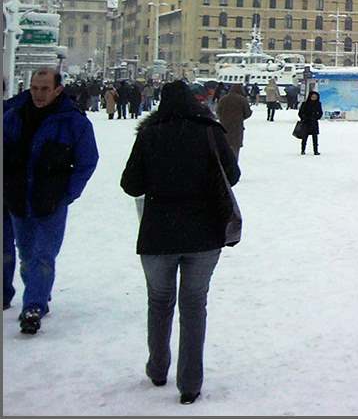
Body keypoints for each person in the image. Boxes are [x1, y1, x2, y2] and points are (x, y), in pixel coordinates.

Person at [119, 79, 240, 406]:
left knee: (159, 302)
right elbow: (233, 175)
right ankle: (190, 383)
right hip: (204, 233)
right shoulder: (209, 131)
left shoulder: (149, 134)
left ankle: (158, 368)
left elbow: (130, 184)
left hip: (158, 234)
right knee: (194, 305)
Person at [3, 68, 99, 334]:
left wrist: (68, 193)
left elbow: (87, 161)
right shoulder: (14, 116)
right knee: (26, 254)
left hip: (51, 201)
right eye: (35, 88)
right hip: (18, 198)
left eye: (45, 88)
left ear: (58, 90)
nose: (39, 94)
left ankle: (33, 306)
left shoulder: (73, 122)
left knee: (43, 255)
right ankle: (39, 292)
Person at [215, 84, 251, 163]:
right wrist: (240, 118)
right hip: (237, 127)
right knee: (235, 147)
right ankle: (234, 164)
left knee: (224, 145)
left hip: (224, 126)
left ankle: (224, 163)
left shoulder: (223, 99)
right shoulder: (242, 99)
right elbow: (248, 113)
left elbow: (217, 111)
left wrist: (223, 118)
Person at [298, 90, 322, 155]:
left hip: (314, 122)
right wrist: (304, 118)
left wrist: (316, 117)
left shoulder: (318, 104)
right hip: (306, 123)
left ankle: (315, 151)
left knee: (315, 137)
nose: (314, 98)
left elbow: (320, 113)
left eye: (315, 97)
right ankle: (303, 150)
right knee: (304, 137)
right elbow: (300, 113)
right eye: (313, 97)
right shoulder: (305, 104)